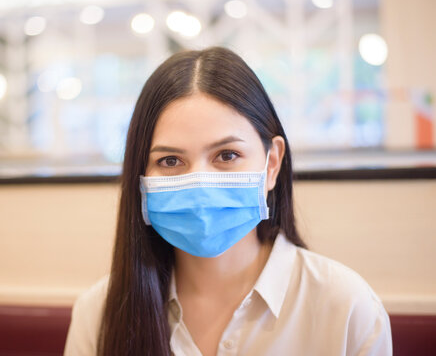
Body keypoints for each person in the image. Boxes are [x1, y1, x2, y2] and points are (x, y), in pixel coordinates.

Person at [64, 47, 392, 356]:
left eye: (227, 155)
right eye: (169, 161)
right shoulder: (98, 315)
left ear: (272, 163)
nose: (200, 183)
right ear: (140, 174)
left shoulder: (348, 308)